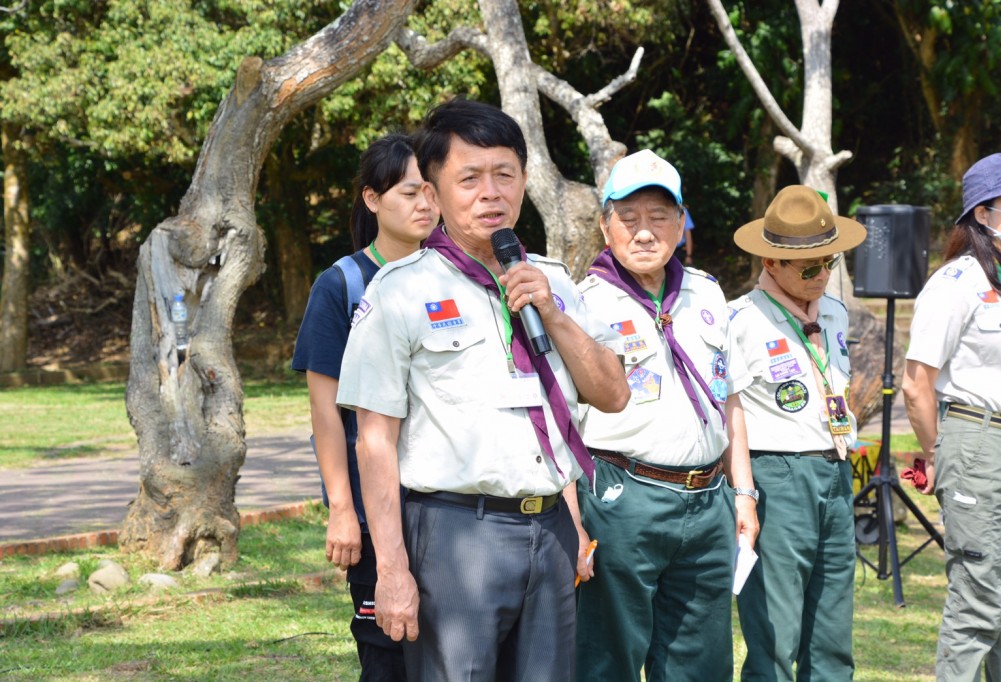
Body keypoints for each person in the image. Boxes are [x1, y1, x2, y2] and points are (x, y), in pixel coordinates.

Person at [336, 98, 630, 682]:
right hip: (453, 534)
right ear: (434, 193)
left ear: (524, 180)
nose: (491, 193)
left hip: (548, 527)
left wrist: (554, 312)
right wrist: (392, 567)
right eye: (469, 178)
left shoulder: (554, 283)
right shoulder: (400, 291)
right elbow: (374, 441)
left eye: (505, 174)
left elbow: (613, 394)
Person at [573, 149, 758, 682]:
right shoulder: (583, 305)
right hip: (621, 497)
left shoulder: (707, 292)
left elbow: (731, 400)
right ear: (606, 227)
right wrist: (574, 518)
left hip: (708, 501)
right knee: (609, 656)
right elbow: (561, 424)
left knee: (700, 661)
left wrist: (742, 493)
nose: (644, 232)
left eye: (658, 218)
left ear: (681, 223)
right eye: (628, 219)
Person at [291, 133, 439, 682]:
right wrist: (341, 508)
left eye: (430, 190)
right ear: (372, 200)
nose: (425, 204)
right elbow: (327, 414)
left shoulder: (461, 277)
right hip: (379, 511)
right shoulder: (343, 285)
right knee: (389, 655)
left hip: (449, 511)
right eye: (408, 192)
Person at [727, 185, 866, 681]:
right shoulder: (739, 320)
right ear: (771, 262)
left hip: (834, 469)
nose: (823, 275)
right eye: (809, 268)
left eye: (829, 261)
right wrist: (745, 494)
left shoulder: (833, 312)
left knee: (832, 633)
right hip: (778, 476)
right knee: (775, 632)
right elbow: (730, 413)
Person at [902, 152, 1001, 681]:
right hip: (978, 441)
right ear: (983, 213)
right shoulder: (955, 283)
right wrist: (938, 453)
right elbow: (915, 383)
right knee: (977, 600)